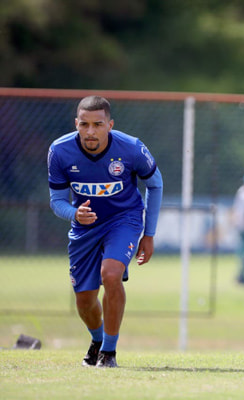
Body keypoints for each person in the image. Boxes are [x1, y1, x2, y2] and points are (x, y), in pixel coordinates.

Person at [47, 96, 163, 368]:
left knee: (111, 275)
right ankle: (97, 340)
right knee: (85, 300)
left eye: (97, 124)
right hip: (84, 227)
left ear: (109, 125)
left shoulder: (132, 148)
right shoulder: (59, 151)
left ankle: (109, 352)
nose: (90, 131)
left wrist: (149, 234)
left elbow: (155, 184)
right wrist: (74, 214)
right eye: (84, 124)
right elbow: (56, 201)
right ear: (76, 123)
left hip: (124, 219)